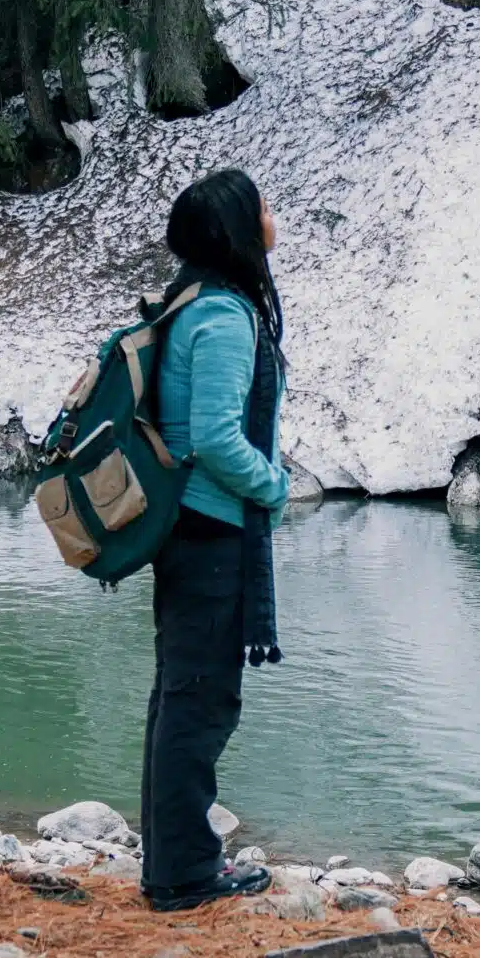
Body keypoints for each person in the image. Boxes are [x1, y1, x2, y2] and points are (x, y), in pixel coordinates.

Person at [141, 167, 288, 909]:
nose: (272, 215)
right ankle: (183, 876)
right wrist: (276, 485)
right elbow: (216, 440)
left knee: (180, 697)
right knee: (199, 705)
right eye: (262, 206)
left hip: (184, 533)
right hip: (210, 534)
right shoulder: (226, 317)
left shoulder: (189, 303)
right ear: (237, 228)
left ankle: (173, 863)